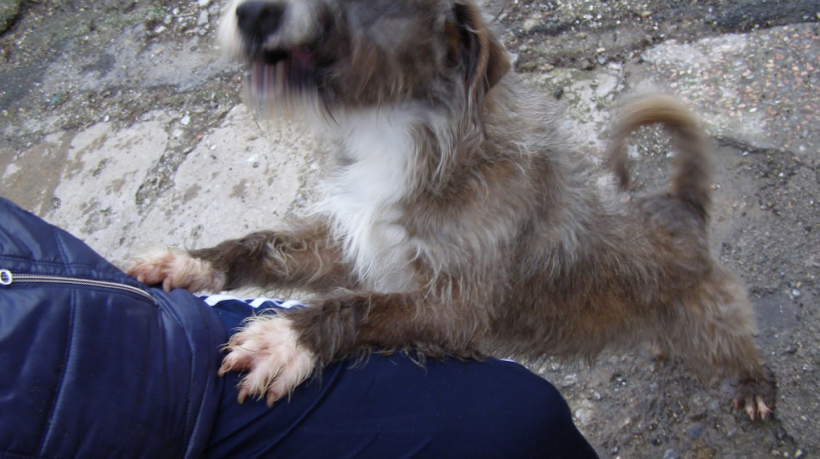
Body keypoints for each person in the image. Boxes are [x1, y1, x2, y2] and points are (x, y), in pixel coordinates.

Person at [0, 197, 598, 459]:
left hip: (142, 325)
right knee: (518, 421)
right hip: (147, 429)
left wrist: (214, 265)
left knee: (520, 412)